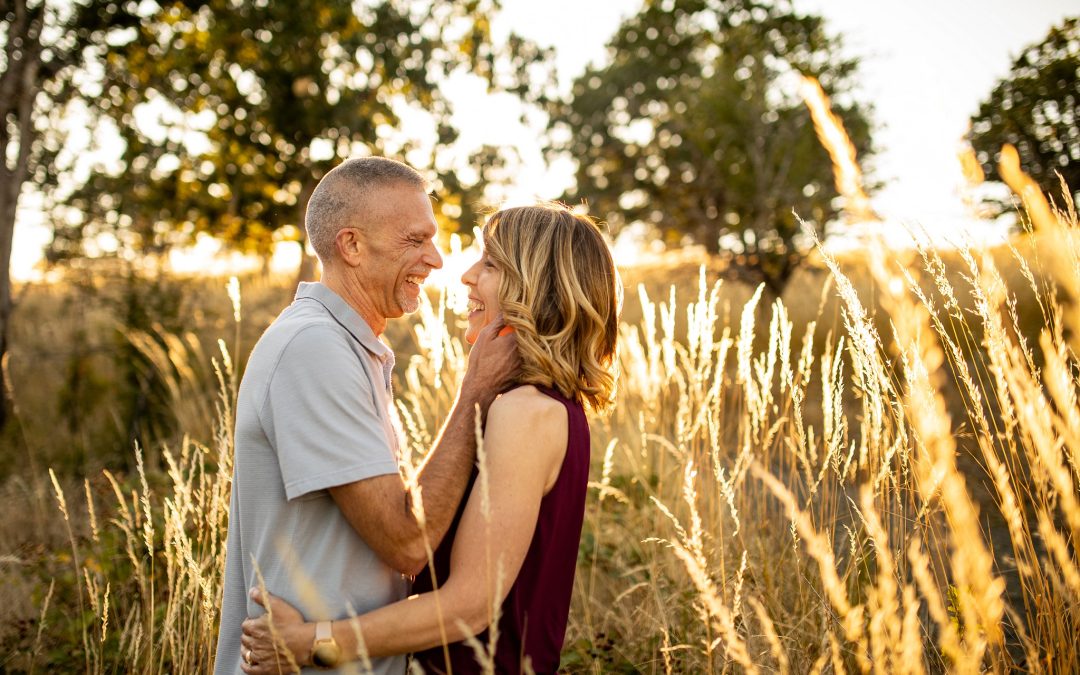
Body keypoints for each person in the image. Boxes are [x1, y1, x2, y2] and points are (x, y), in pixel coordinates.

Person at [238, 203, 621, 674]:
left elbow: (468, 606)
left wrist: (310, 643)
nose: (467, 275)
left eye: (492, 265)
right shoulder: (543, 406)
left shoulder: (525, 412)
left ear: (538, 289)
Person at [214, 157, 520, 675]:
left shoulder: (355, 348)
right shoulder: (314, 347)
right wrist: (475, 392)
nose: (437, 259)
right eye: (414, 241)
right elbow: (406, 542)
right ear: (351, 246)